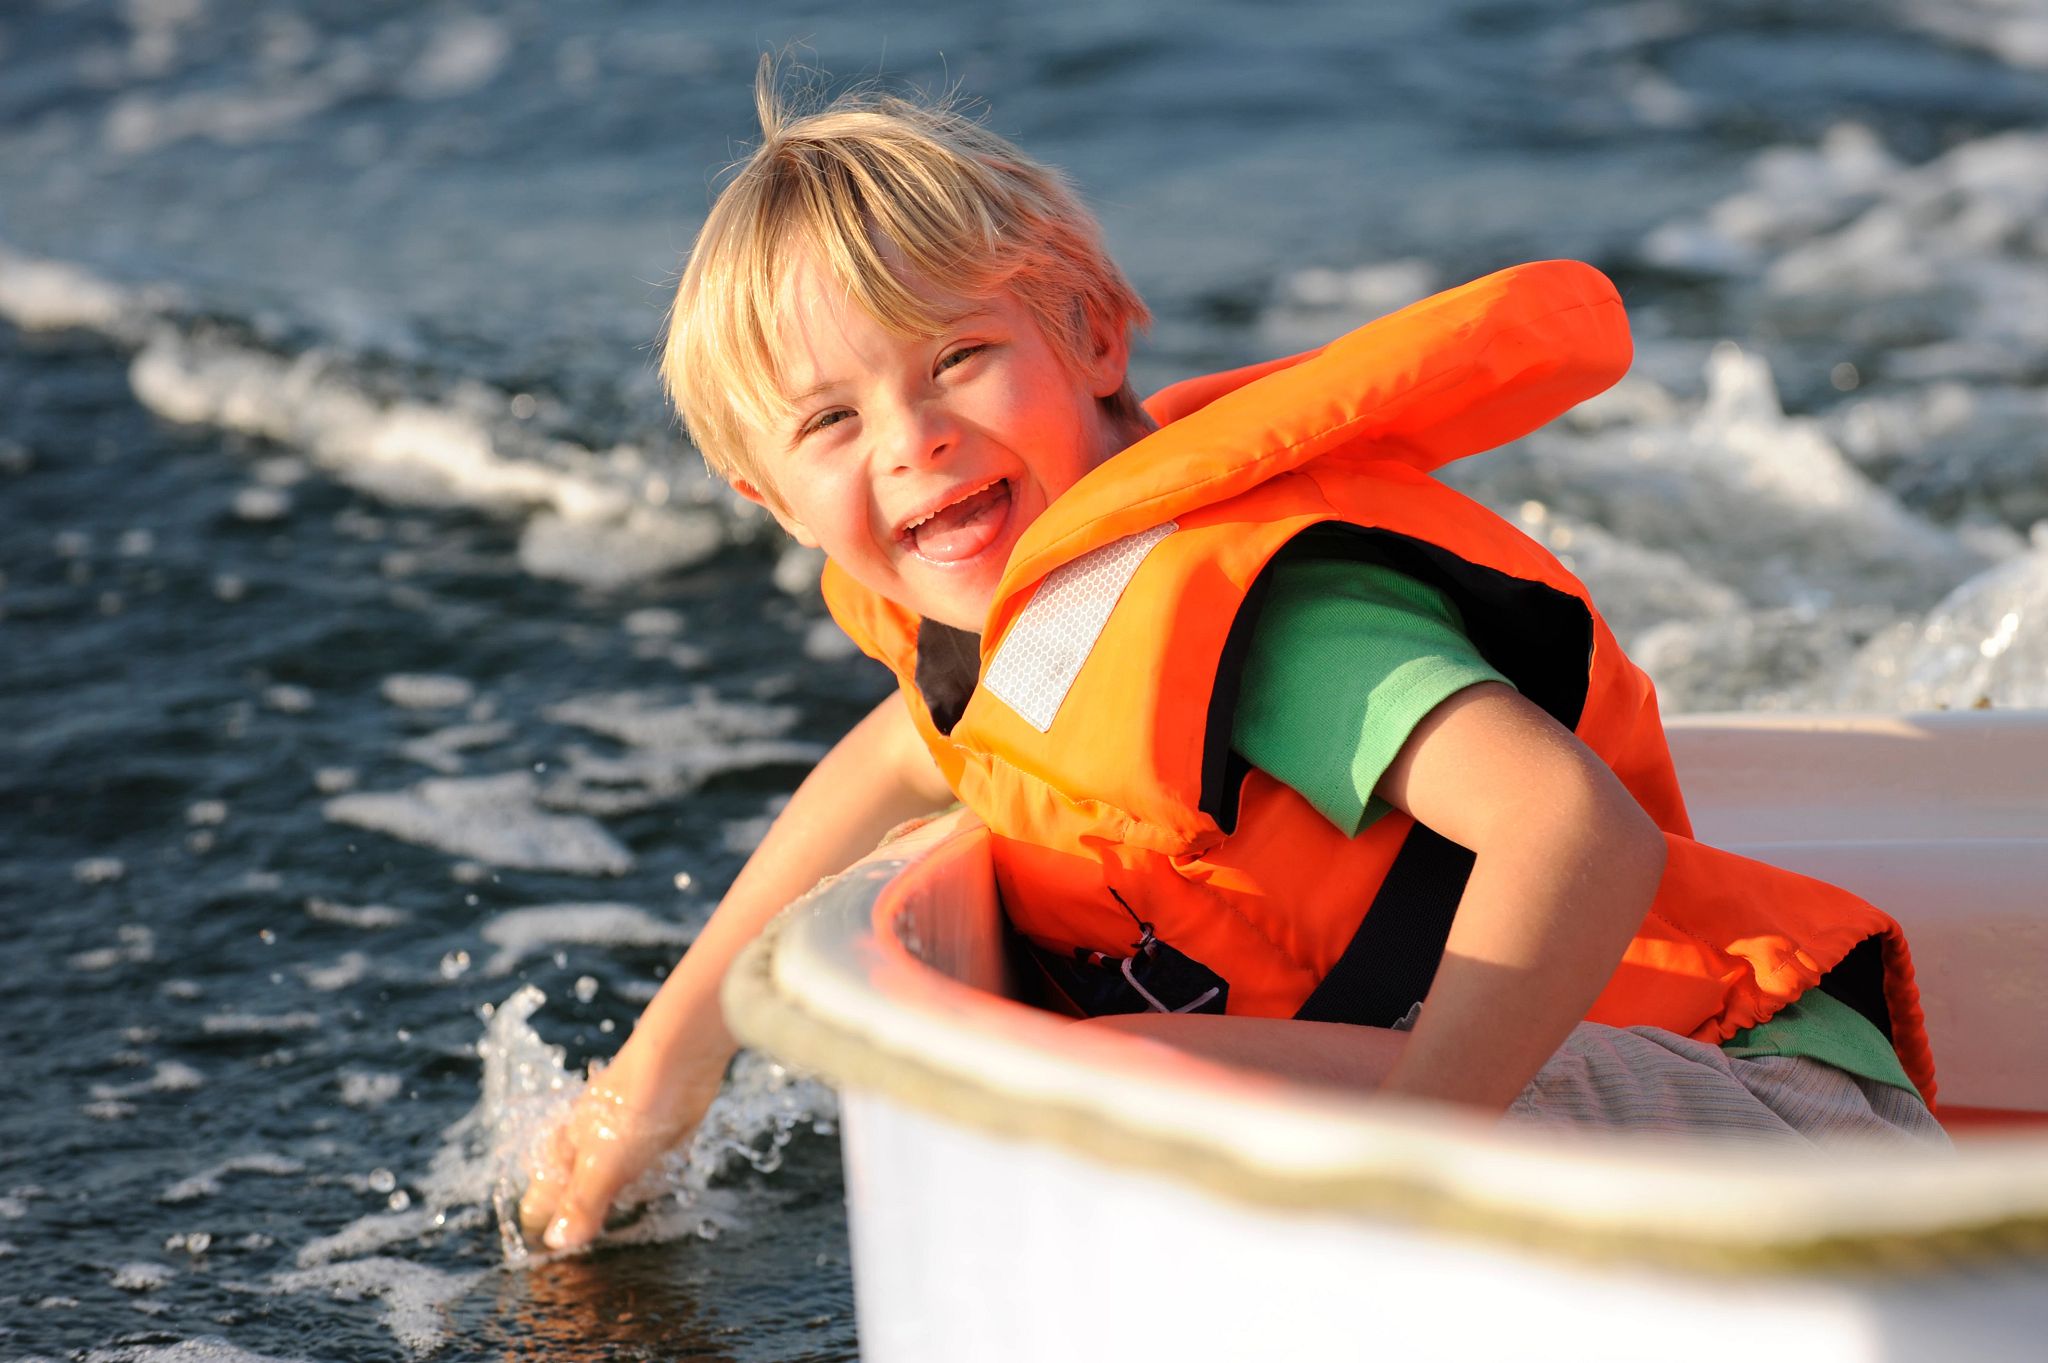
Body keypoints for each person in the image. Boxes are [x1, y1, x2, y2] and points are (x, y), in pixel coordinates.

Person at [519, 69, 1943, 1255]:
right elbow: (898, 752)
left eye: (955, 358)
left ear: (1089, 333)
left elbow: (1575, 830)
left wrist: (1404, 1179)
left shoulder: (1268, 620)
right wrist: (667, 1064)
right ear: (769, 500)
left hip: (1772, 1133)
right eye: (830, 424)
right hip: (1583, 1134)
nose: (911, 440)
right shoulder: (1009, 634)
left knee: (1117, 1093)